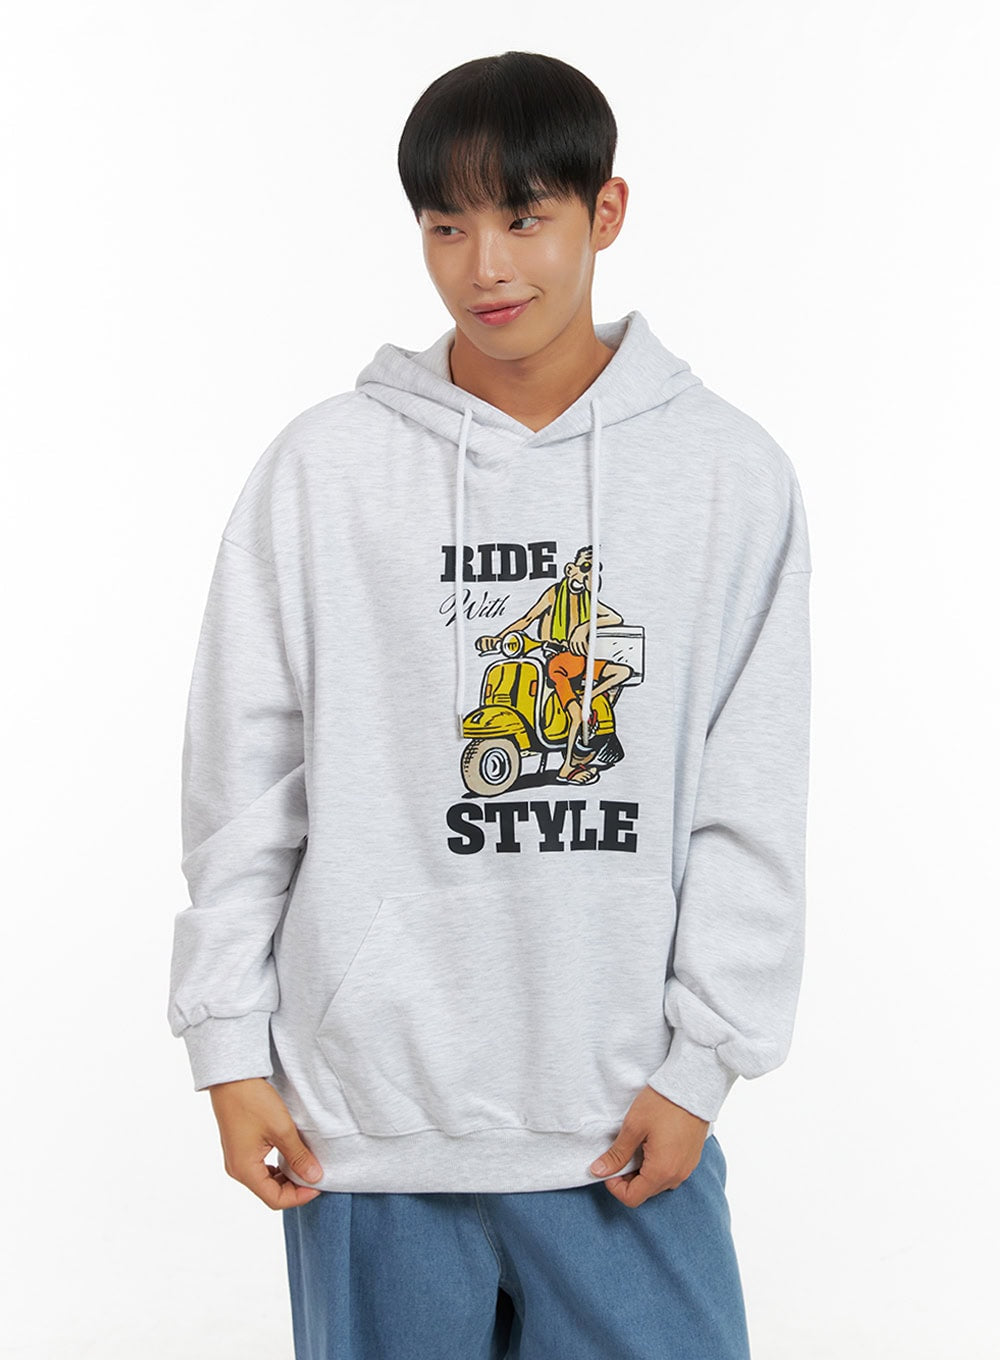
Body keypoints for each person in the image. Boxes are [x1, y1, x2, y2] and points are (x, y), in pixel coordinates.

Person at [167, 49, 812, 1360]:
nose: (487, 267)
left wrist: (706, 1063)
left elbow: (750, 798)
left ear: (604, 213)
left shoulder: (727, 476)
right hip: (367, 1129)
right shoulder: (324, 470)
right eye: (447, 226)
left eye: (524, 218)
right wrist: (226, 1045)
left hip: (624, 1128)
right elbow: (245, 783)